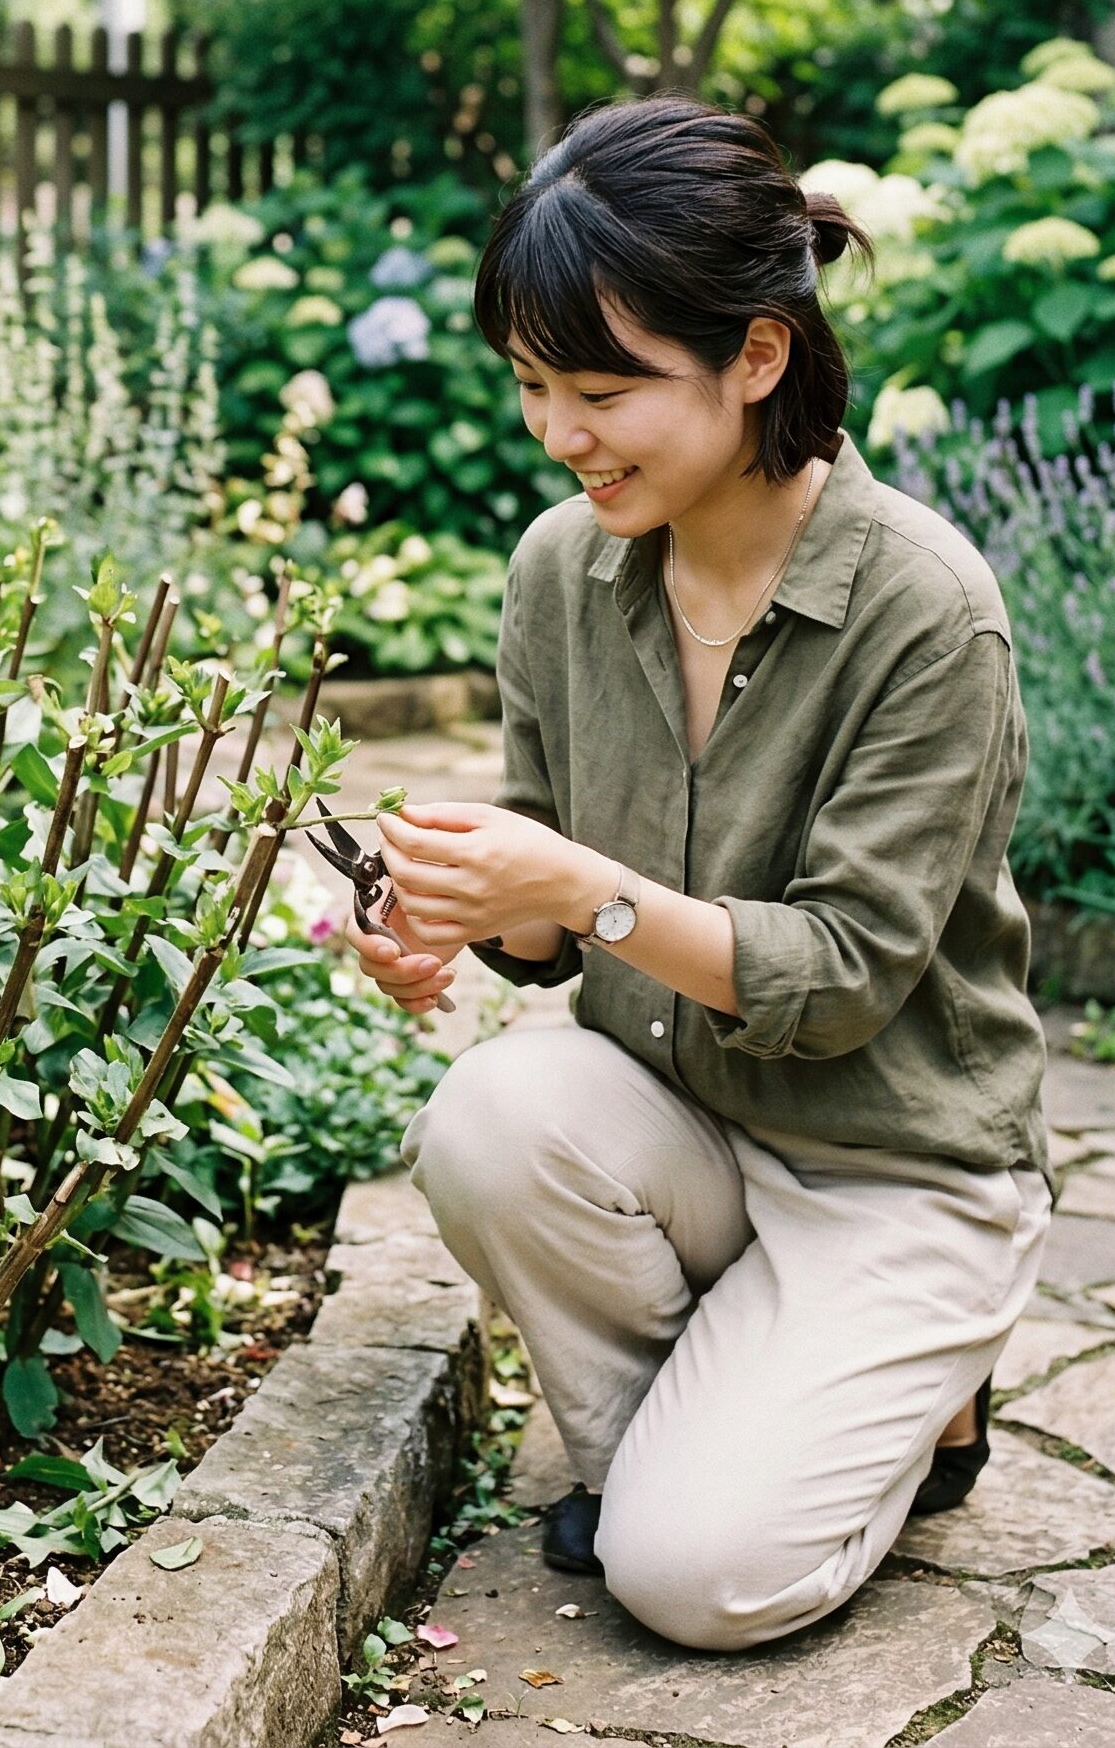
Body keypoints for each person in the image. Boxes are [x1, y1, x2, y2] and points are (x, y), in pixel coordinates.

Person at [349, 94, 1052, 1654]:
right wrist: (458, 914)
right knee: (488, 1117)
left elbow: (850, 976)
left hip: (896, 1169)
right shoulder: (561, 567)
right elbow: (553, 921)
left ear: (757, 357)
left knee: (694, 1583)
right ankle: (720, 1429)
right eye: (533, 386)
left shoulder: (928, 609)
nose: (558, 434)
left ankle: (911, 1392)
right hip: (690, 1135)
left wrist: (578, 884)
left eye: (603, 390)